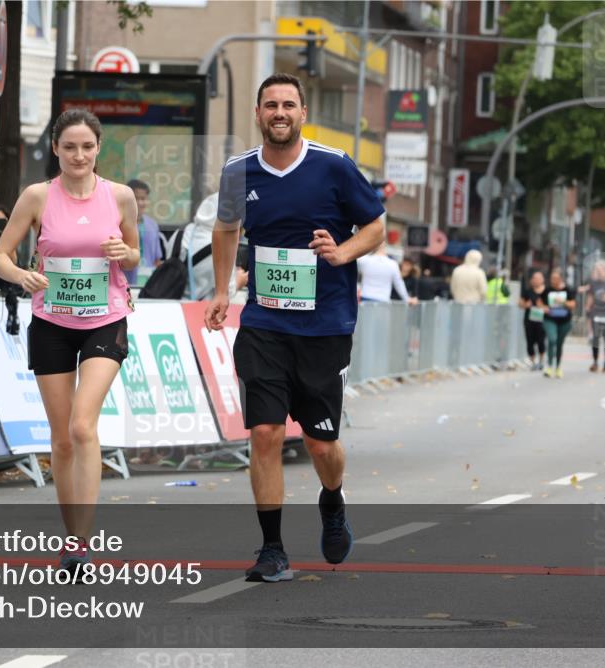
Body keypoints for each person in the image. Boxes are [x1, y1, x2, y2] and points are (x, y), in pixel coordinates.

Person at [205, 73, 386, 582]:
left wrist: (342, 252)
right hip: (264, 321)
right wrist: (223, 291)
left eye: (288, 104)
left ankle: (333, 500)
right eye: (270, 105)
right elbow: (225, 228)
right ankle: (272, 550)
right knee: (264, 432)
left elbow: (376, 225)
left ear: (302, 112)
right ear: (258, 115)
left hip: (325, 325)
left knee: (320, 443)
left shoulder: (334, 165)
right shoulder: (238, 172)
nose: (279, 112)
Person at [0, 108, 139, 573]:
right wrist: (21, 275)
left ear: (99, 149)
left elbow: (134, 257)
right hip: (52, 320)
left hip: (105, 318)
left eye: (87, 147)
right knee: (62, 439)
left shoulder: (120, 196)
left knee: (82, 426)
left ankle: (83, 541)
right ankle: (71, 540)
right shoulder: (37, 196)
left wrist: (124, 252)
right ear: (55, 148)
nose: (79, 155)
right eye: (69, 146)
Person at [162, 192, 237, 300]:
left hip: (175, 307)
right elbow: (228, 292)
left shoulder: (180, 234)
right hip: (203, 311)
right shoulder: (223, 244)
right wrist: (241, 280)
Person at [122, 178, 163, 286]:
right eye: (136, 198)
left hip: (148, 284)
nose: (140, 203)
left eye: (143, 198)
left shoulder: (153, 225)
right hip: (125, 282)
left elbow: (156, 260)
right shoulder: (119, 223)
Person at [542, 268, 576, 378]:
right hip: (550, 319)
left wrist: (563, 302)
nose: (553, 281)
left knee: (559, 343)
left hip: (564, 321)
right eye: (552, 278)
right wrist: (544, 308)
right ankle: (549, 366)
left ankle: (558, 367)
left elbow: (573, 305)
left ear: (561, 279)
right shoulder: (547, 290)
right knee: (552, 339)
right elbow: (539, 302)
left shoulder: (567, 290)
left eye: (556, 278)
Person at [519, 270, 547, 371]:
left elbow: (551, 305)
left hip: (542, 320)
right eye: (534, 279)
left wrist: (543, 307)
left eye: (538, 278)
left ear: (542, 280)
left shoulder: (546, 292)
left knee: (541, 340)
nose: (535, 280)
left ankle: (541, 361)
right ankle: (533, 362)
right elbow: (520, 304)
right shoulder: (527, 291)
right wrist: (526, 305)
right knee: (530, 341)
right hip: (529, 319)